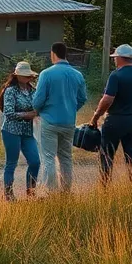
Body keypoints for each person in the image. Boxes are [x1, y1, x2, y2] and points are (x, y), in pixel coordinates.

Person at [90, 44, 132, 185]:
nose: (114, 60)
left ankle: (104, 187)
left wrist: (96, 116)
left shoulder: (116, 75)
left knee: (107, 155)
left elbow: (108, 99)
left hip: (114, 120)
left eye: (115, 57)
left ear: (120, 58)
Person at [31, 42, 88, 195]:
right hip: (69, 122)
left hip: (49, 121)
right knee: (66, 158)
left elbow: (37, 101)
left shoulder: (46, 74)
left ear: (53, 53)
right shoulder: (77, 75)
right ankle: (65, 192)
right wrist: (71, 109)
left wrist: (39, 110)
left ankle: (51, 193)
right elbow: (82, 98)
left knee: (48, 157)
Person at [0, 61, 41, 201]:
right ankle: (9, 194)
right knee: (12, 162)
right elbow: (8, 113)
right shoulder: (10, 91)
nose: (27, 77)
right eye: (24, 75)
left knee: (35, 161)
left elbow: (39, 107)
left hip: (27, 131)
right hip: (11, 130)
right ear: (17, 76)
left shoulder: (33, 90)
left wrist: (37, 113)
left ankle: (31, 193)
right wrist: (27, 115)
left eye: (28, 75)